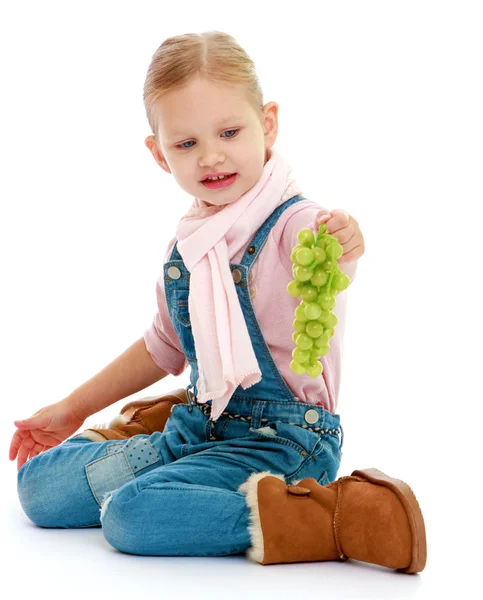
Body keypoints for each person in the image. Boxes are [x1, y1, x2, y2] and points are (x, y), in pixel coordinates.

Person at [9, 31, 426, 573]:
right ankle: (157, 427)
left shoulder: (293, 224)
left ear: (267, 124)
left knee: (130, 518)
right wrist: (70, 409)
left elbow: (328, 252)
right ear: (159, 154)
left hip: (284, 442)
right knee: (38, 489)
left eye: (229, 132)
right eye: (185, 144)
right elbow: (163, 347)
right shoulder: (190, 245)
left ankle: (332, 517)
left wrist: (345, 238)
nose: (211, 156)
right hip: (202, 427)